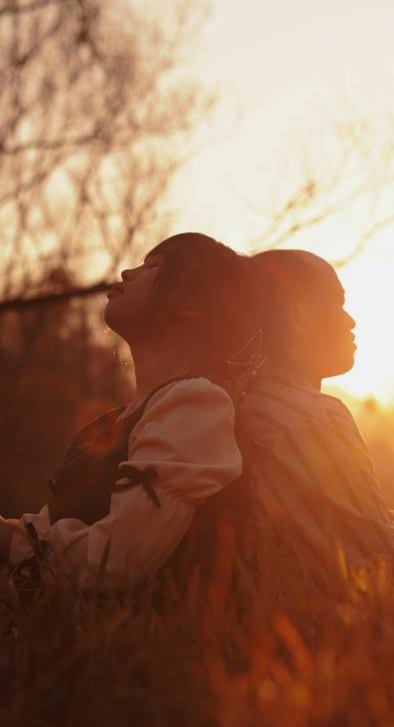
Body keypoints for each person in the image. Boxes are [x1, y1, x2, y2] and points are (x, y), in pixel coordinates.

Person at [0, 233, 260, 594]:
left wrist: (10, 541)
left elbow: (115, 561)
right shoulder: (121, 419)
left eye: (154, 267)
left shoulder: (198, 404)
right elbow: (47, 535)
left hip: (160, 650)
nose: (126, 273)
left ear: (194, 304)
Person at [233, 248, 394, 598]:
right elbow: (379, 559)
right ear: (298, 316)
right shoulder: (312, 417)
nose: (350, 321)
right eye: (337, 302)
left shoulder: (244, 407)